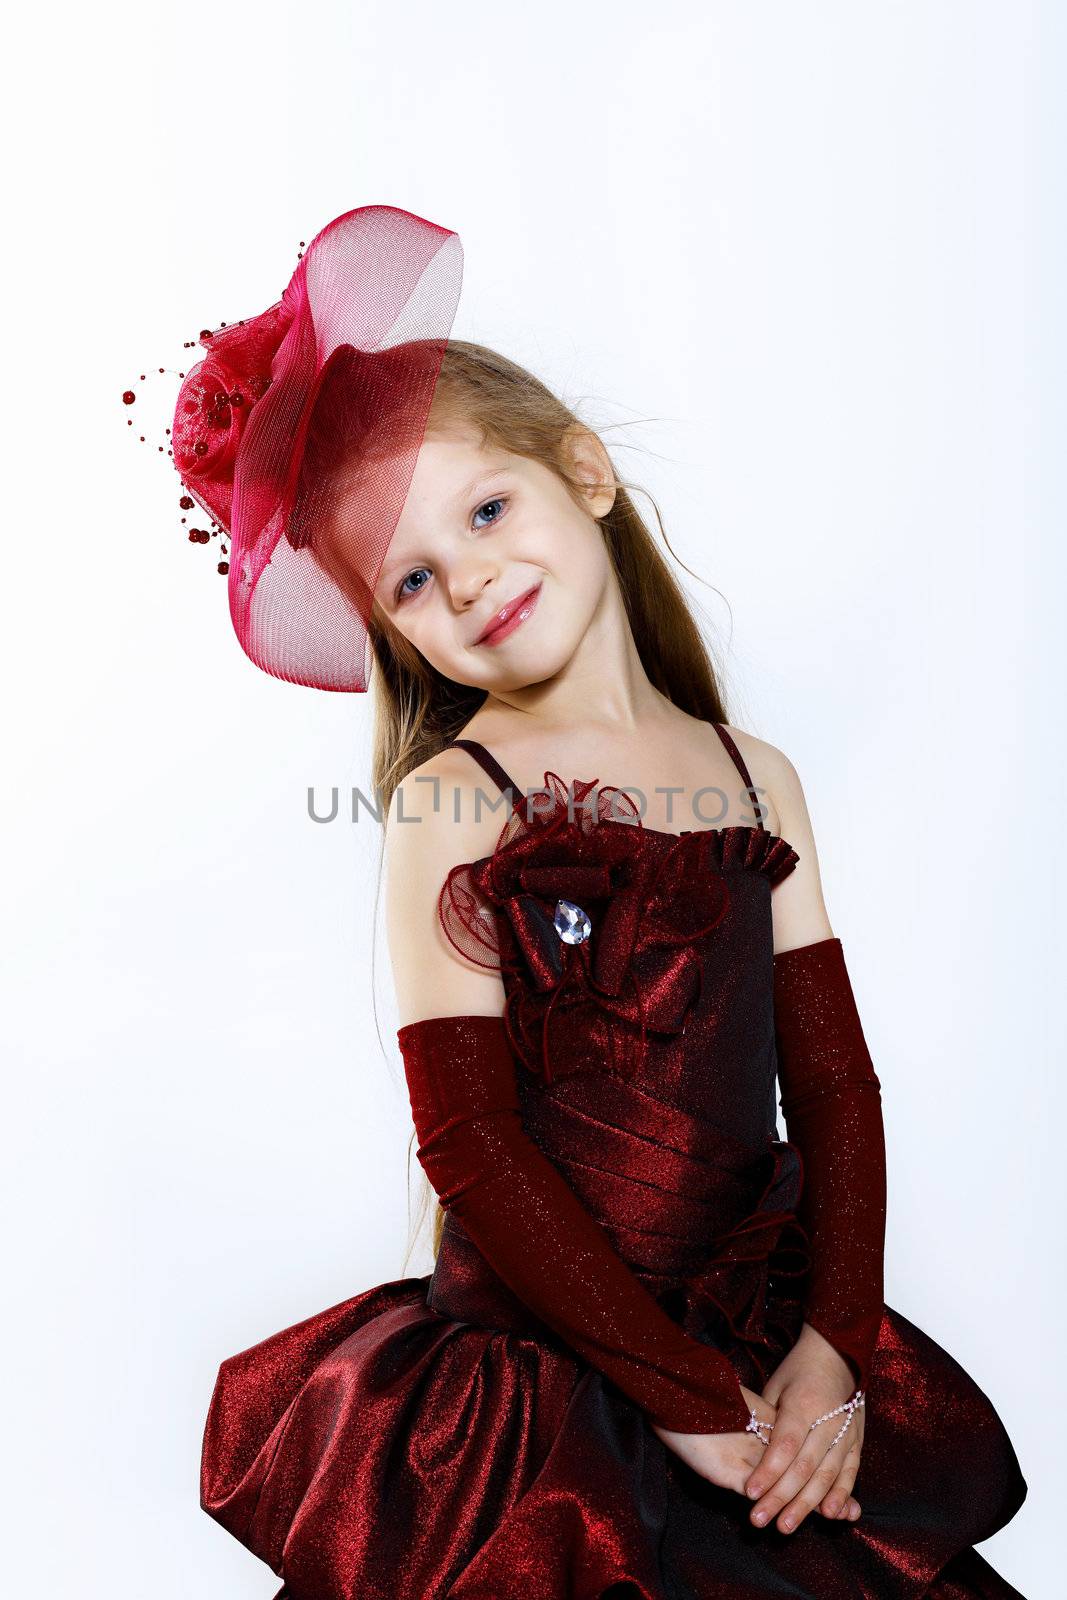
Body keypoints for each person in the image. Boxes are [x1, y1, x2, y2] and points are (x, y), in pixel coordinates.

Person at [168, 207, 1028, 1598]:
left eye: (488, 511)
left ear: (586, 472)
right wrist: (683, 1402)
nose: (474, 581)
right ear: (395, 631)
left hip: (761, 1362)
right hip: (547, 1406)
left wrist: (838, 1347)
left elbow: (837, 1088)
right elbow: (471, 1142)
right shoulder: (461, 799)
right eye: (414, 580)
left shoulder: (757, 780)